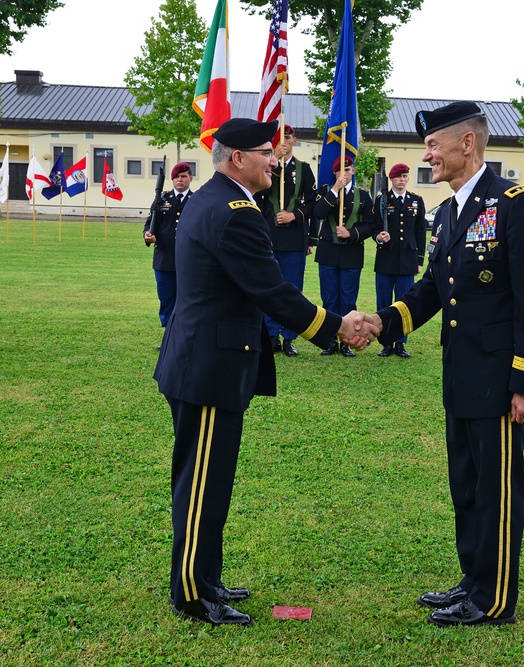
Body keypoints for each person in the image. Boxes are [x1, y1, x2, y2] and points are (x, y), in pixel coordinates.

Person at [153, 118, 377, 627]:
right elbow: (271, 290)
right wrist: (336, 326)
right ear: (237, 158)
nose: (275, 161)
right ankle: (192, 593)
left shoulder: (218, 201)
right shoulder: (234, 212)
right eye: (265, 153)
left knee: (208, 480)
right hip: (209, 368)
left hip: (203, 360)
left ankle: (203, 576)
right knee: (202, 485)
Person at [371, 102, 524, 627]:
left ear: (467, 144)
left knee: (497, 491)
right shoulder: (450, 210)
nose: (426, 154)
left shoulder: (514, 204)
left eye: (433, 145)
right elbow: (435, 289)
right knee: (468, 485)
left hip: (502, 382)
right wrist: (383, 323)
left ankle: (495, 598)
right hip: (462, 376)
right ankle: (473, 579)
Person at [255, 124, 317, 357]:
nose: (284, 141)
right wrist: (274, 161)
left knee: (292, 289)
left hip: (293, 239)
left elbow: (312, 203)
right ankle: (271, 335)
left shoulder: (304, 169)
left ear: (295, 140)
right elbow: (257, 194)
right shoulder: (264, 168)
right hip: (268, 236)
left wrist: (294, 215)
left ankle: (289, 337)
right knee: (270, 287)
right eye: (279, 138)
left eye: (288, 137)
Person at [312, 155, 379, 357]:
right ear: (335, 173)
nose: (345, 174)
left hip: (351, 253)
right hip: (328, 253)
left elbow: (371, 225)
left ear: (354, 171)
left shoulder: (363, 196)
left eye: (349, 170)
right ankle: (330, 340)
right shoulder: (325, 192)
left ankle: (347, 342)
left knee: (348, 300)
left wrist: (351, 234)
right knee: (330, 299)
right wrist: (334, 191)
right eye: (341, 170)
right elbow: (318, 213)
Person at [372, 163, 426, 358]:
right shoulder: (381, 200)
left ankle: (401, 343)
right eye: (398, 177)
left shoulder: (416, 201)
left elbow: (421, 232)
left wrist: (419, 260)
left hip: (407, 260)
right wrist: (379, 237)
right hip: (386, 258)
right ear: (391, 179)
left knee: (404, 303)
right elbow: (374, 227)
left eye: (405, 176)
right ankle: (386, 341)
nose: (401, 180)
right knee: (385, 303)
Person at [143, 162, 193, 330]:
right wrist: (147, 235)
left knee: (186, 300)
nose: (180, 180)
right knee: (166, 299)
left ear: (190, 179)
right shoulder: (161, 199)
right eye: (177, 177)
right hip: (164, 259)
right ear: (172, 180)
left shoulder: (197, 201)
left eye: (184, 176)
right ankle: (168, 335)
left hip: (188, 260)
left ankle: (182, 335)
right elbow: (150, 223)